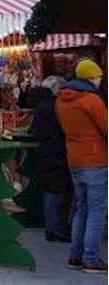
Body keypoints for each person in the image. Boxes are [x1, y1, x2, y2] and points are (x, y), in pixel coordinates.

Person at [55, 60, 109, 273]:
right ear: (91, 78)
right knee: (96, 210)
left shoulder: (61, 100)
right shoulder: (91, 100)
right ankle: (91, 258)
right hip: (96, 159)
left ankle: (76, 256)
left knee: (81, 208)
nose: (100, 82)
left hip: (75, 159)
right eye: (98, 78)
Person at [29, 75, 72, 242]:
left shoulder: (40, 105)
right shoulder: (53, 107)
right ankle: (54, 227)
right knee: (55, 191)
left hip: (45, 153)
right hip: (55, 153)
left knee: (50, 191)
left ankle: (52, 226)